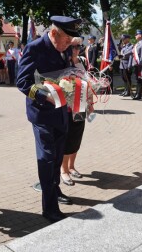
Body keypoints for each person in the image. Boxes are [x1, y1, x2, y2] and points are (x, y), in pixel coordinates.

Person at [16, 15, 82, 223]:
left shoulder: (66, 48)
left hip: (62, 112)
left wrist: (81, 85)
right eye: (64, 41)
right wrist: (47, 95)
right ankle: (49, 207)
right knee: (47, 158)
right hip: (43, 113)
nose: (67, 46)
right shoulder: (35, 48)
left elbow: (67, 74)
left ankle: (55, 190)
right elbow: (23, 82)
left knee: (58, 155)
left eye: (69, 43)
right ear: (53, 33)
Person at [60, 37, 91, 186]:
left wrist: (90, 102)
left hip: (80, 105)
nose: (76, 50)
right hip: (67, 107)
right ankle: (64, 170)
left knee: (77, 137)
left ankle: (72, 166)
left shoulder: (81, 61)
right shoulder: (62, 62)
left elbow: (86, 81)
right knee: (68, 138)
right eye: (73, 47)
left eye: (78, 47)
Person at [131, 29, 142, 100]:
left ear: (140, 35)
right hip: (136, 64)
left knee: (140, 79)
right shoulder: (137, 43)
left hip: (139, 64)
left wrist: (140, 64)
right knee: (137, 79)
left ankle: (139, 94)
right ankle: (137, 93)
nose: (135, 35)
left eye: (136, 34)